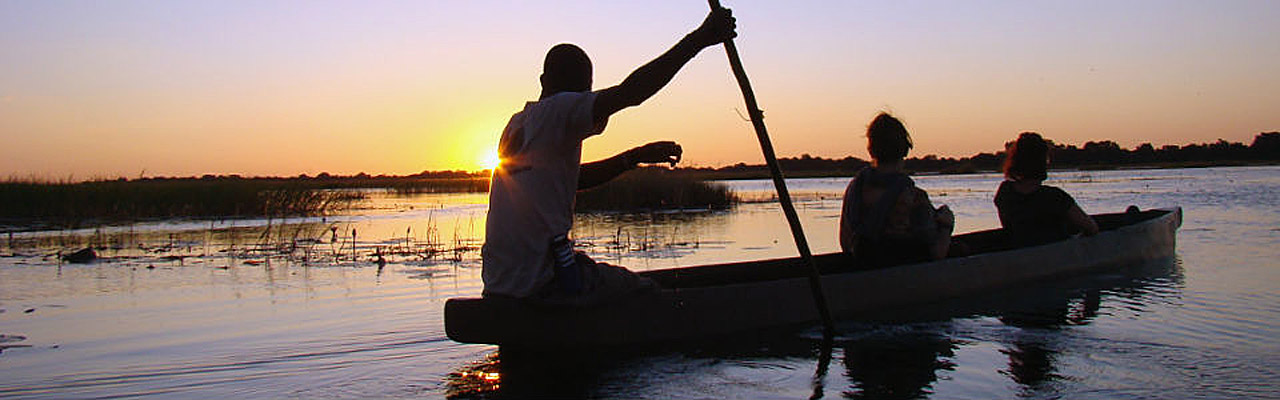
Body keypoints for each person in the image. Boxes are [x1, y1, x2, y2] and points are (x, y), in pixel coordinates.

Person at [481, 8, 737, 305]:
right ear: (585, 88)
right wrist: (699, 39)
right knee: (649, 295)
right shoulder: (563, 108)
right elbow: (631, 93)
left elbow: (572, 180)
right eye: (588, 88)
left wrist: (634, 157)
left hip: (500, 284)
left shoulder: (517, 125)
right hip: (540, 285)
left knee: (601, 275)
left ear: (542, 80)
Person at [839, 113, 954, 267]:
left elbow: (845, 243)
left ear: (871, 149)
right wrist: (947, 225)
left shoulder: (855, 189)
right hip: (903, 276)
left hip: (862, 269)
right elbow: (936, 253)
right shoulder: (914, 197)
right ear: (905, 149)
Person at [994, 132, 1099, 247]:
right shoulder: (1054, 196)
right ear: (1043, 161)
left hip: (1019, 252)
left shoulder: (1005, 192)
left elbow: (1008, 226)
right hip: (1056, 254)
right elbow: (1091, 228)